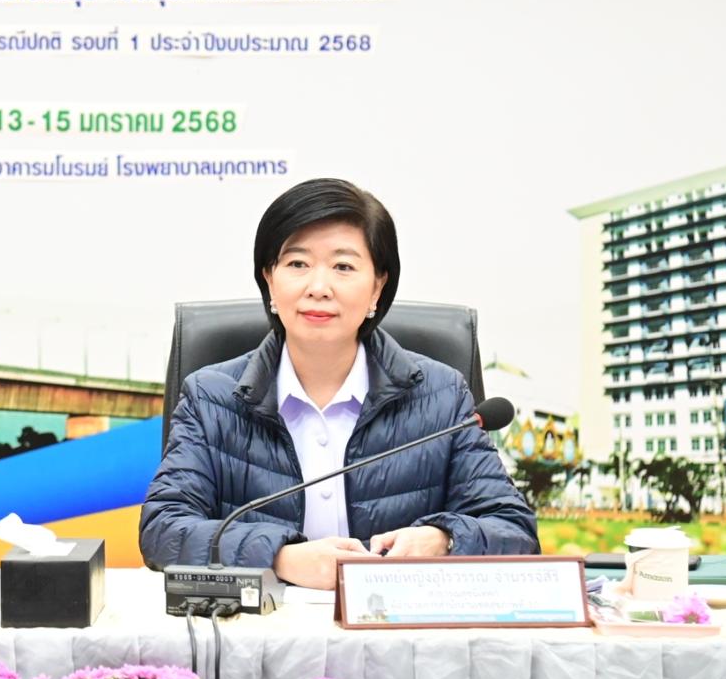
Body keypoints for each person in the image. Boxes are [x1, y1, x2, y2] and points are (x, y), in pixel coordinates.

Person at [140, 178, 537, 589]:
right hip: (264, 625)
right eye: (297, 264)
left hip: (395, 623)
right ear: (269, 280)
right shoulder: (211, 398)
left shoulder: (441, 396)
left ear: (377, 287)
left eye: (343, 267)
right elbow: (163, 530)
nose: (318, 288)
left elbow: (514, 530)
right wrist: (279, 558)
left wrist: (443, 540)